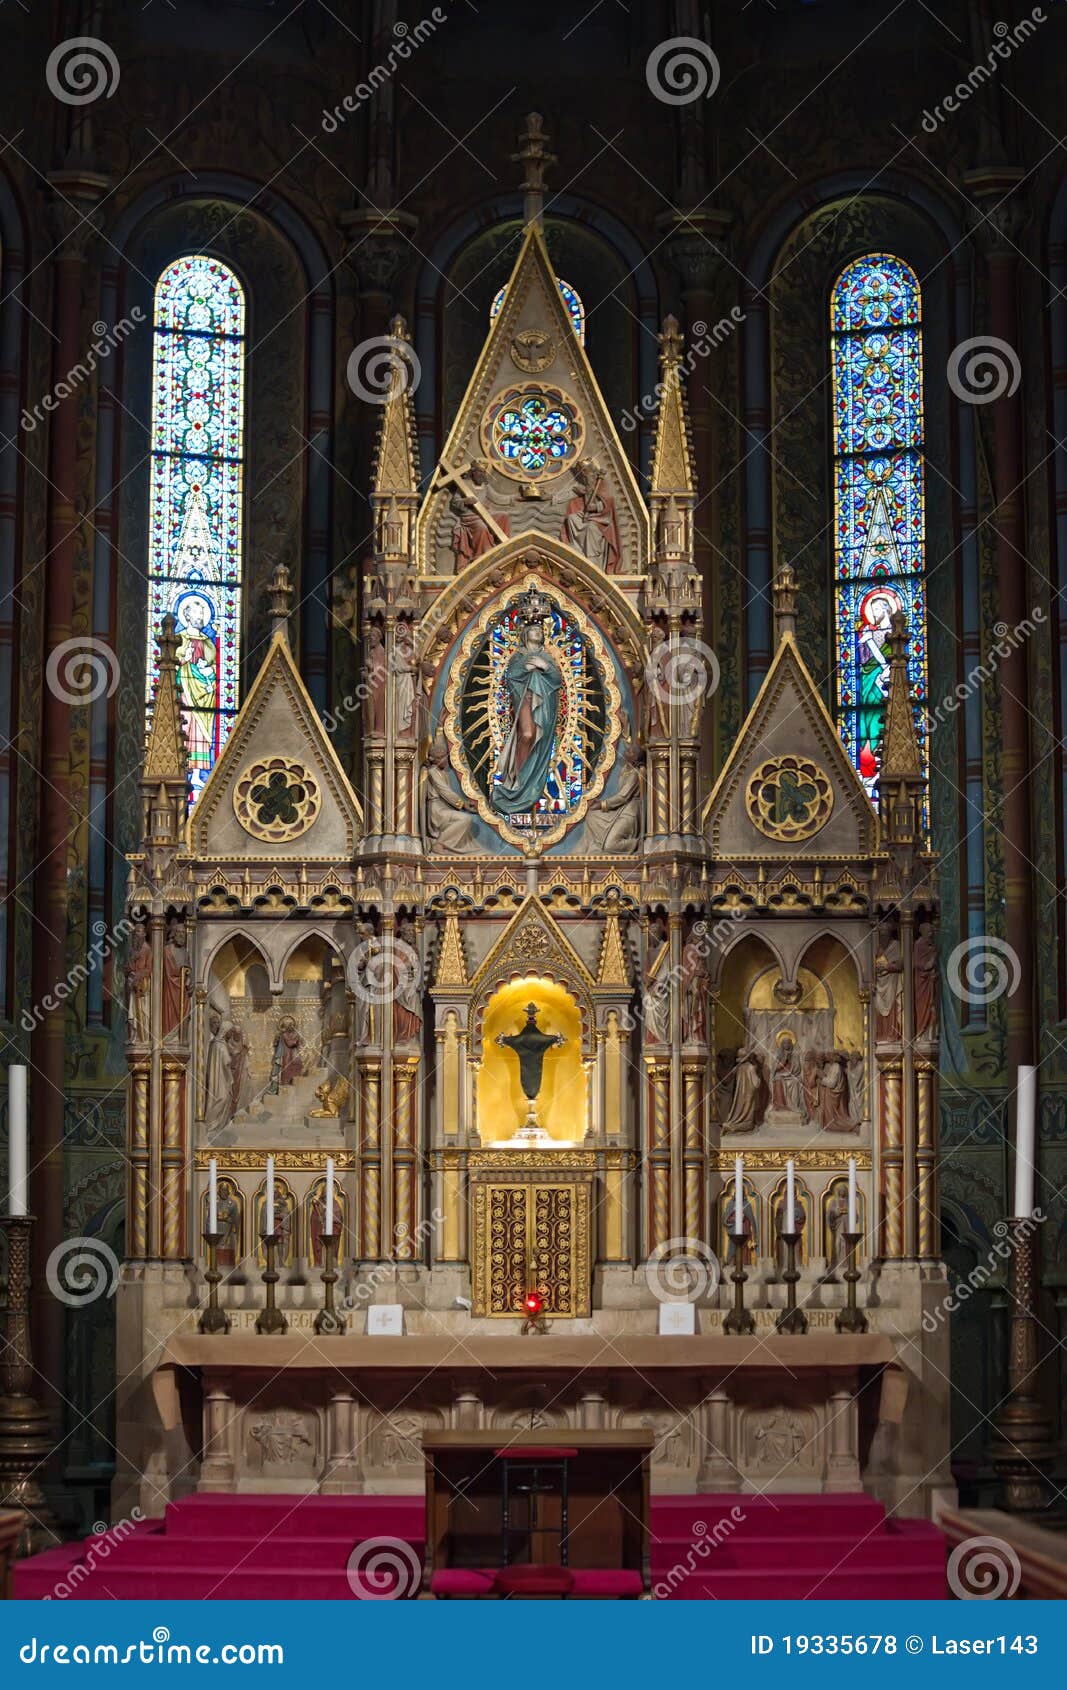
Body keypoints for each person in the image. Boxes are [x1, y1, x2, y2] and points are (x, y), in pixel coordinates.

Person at [491, 614, 562, 815]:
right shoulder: (519, 656)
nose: (537, 632)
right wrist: (527, 667)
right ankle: (518, 778)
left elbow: (556, 680)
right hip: (525, 699)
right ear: (524, 634)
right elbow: (511, 677)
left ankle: (527, 780)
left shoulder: (547, 657)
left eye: (540, 630)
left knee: (539, 740)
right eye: (533, 629)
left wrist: (545, 666)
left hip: (545, 706)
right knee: (528, 734)